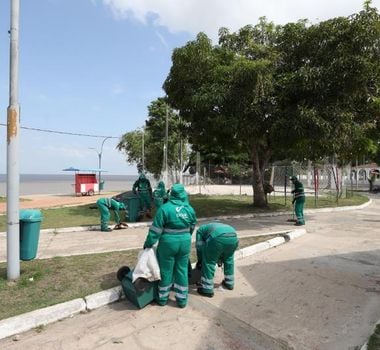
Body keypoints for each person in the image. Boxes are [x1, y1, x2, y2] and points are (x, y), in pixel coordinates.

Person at [143, 183, 197, 308]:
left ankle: (162, 299)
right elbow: (192, 226)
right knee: (182, 270)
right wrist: (186, 236)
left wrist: (148, 243)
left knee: (166, 271)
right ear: (183, 194)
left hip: (168, 244)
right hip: (185, 242)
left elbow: (155, 230)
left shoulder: (164, 208)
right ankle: (182, 300)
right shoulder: (189, 209)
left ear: (171, 194)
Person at [195, 222, 239, 297]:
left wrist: (200, 260)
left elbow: (199, 247)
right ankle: (229, 283)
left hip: (218, 237)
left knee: (209, 262)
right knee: (228, 259)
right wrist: (220, 259)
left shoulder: (199, 231)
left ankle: (207, 289)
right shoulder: (212, 227)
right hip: (233, 237)